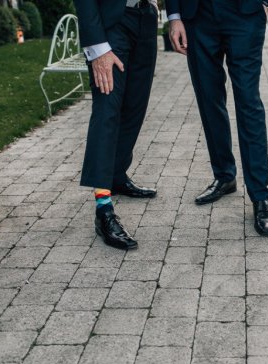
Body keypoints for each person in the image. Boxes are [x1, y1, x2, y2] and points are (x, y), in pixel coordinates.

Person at [166, 0, 268, 236]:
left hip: (245, 14)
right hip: (198, 16)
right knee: (209, 99)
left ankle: (260, 196)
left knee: (249, 103)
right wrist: (175, 15)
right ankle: (225, 176)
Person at [73, 0, 159, 250]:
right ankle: (103, 209)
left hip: (145, 19)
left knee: (135, 107)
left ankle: (117, 176)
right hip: (112, 23)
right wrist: (97, 47)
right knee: (107, 110)